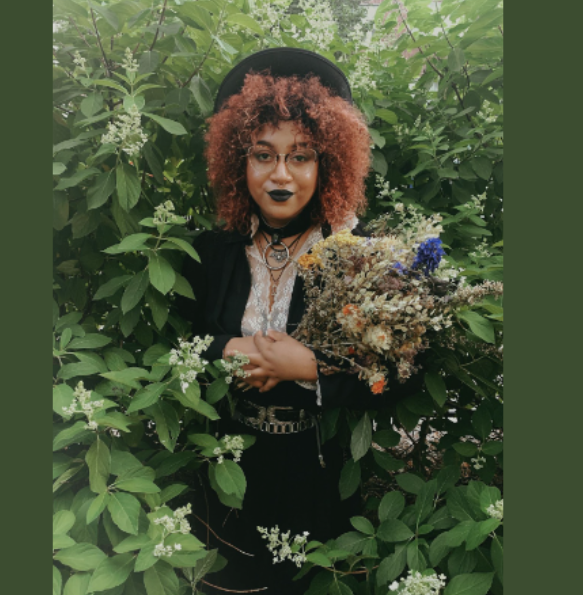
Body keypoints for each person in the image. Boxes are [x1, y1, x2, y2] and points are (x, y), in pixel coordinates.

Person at [177, 48, 395, 594]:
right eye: (262, 154)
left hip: (316, 469)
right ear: (238, 162)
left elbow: (391, 373)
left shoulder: (356, 256)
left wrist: (310, 368)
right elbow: (173, 341)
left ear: (328, 165)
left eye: (301, 156)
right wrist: (231, 352)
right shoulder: (210, 252)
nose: (280, 174)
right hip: (225, 463)